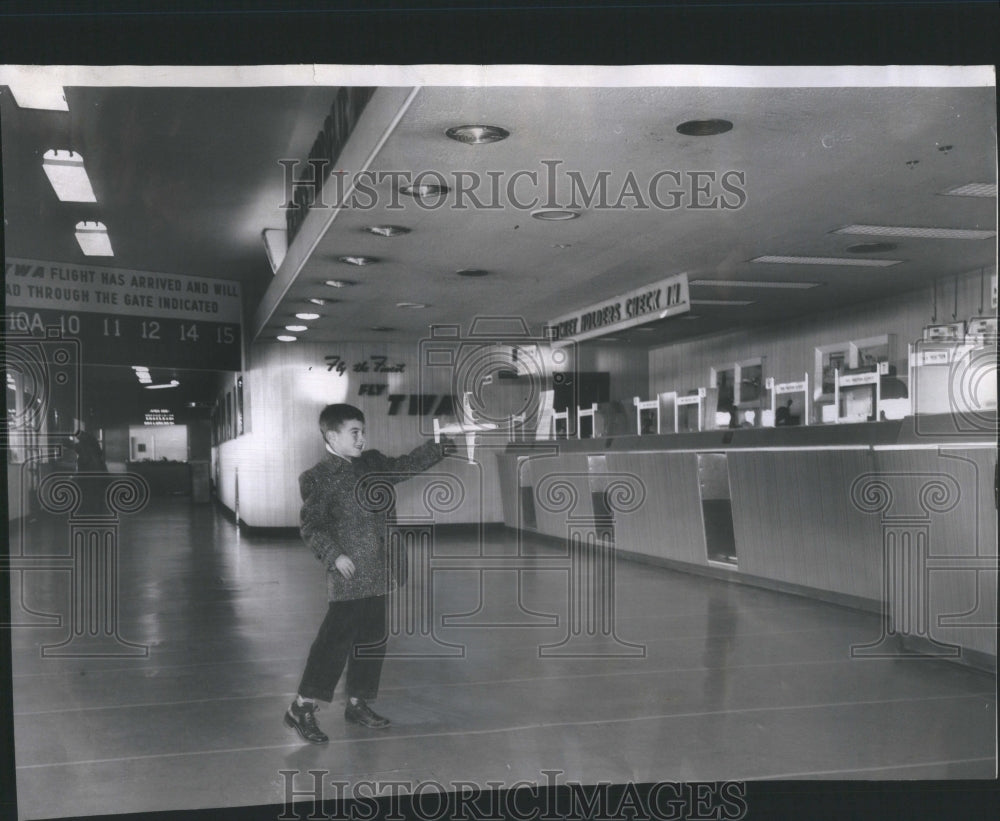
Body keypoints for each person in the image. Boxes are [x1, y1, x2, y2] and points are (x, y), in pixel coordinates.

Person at [284, 403, 451, 744]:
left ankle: (357, 703)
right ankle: (300, 708)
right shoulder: (318, 478)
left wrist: (442, 443)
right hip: (349, 574)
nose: (362, 438)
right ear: (332, 435)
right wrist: (335, 555)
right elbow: (311, 527)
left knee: (372, 641)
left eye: (363, 431)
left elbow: (406, 465)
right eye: (354, 432)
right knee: (333, 643)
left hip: (381, 569)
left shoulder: (373, 462)